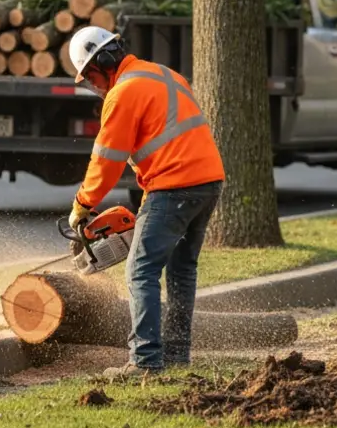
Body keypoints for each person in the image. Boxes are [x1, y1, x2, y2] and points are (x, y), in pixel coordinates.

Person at [66, 25, 225, 377]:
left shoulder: (123, 92)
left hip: (174, 184)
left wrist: (82, 206)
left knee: (140, 271)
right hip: (208, 181)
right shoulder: (163, 74)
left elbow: (107, 160)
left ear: (101, 64)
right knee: (182, 270)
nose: (94, 85)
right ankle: (178, 355)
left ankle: (146, 361)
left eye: (91, 77)